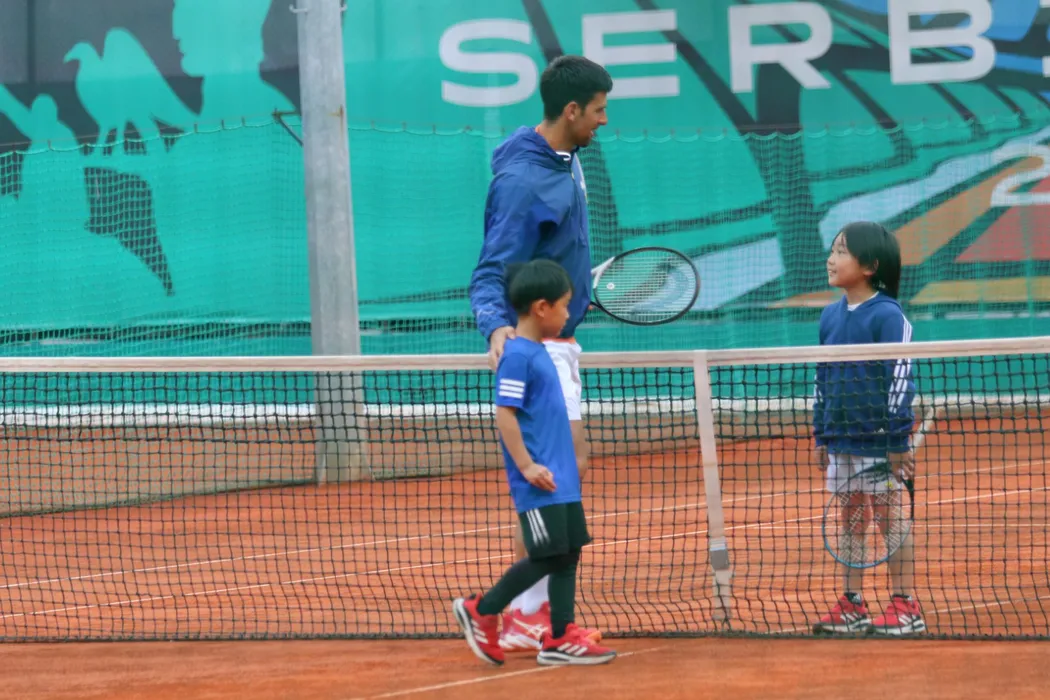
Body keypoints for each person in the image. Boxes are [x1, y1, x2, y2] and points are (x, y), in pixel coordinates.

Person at [467, 54, 612, 651]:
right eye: (598, 110)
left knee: (569, 470)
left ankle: (533, 612)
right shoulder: (526, 183)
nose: (605, 120)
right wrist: (496, 327)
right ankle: (521, 612)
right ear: (571, 111)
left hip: (562, 340)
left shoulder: (563, 156)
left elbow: (551, 247)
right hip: (540, 350)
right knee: (556, 475)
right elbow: (492, 267)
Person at [453, 260, 616, 666]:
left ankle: (560, 636)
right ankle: (483, 610)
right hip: (538, 480)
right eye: (564, 306)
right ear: (542, 308)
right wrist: (527, 466)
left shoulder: (540, 351)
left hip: (561, 478)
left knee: (568, 553)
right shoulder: (518, 357)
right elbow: (505, 414)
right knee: (547, 556)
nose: (569, 313)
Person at [812, 221, 926, 636]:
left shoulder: (888, 315)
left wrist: (897, 440)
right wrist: (821, 434)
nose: (831, 259)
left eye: (841, 251)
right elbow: (822, 377)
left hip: (879, 441)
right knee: (851, 518)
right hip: (841, 439)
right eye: (833, 250)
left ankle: (905, 605)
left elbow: (900, 378)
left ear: (870, 266)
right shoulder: (829, 315)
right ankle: (852, 604)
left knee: (888, 517)